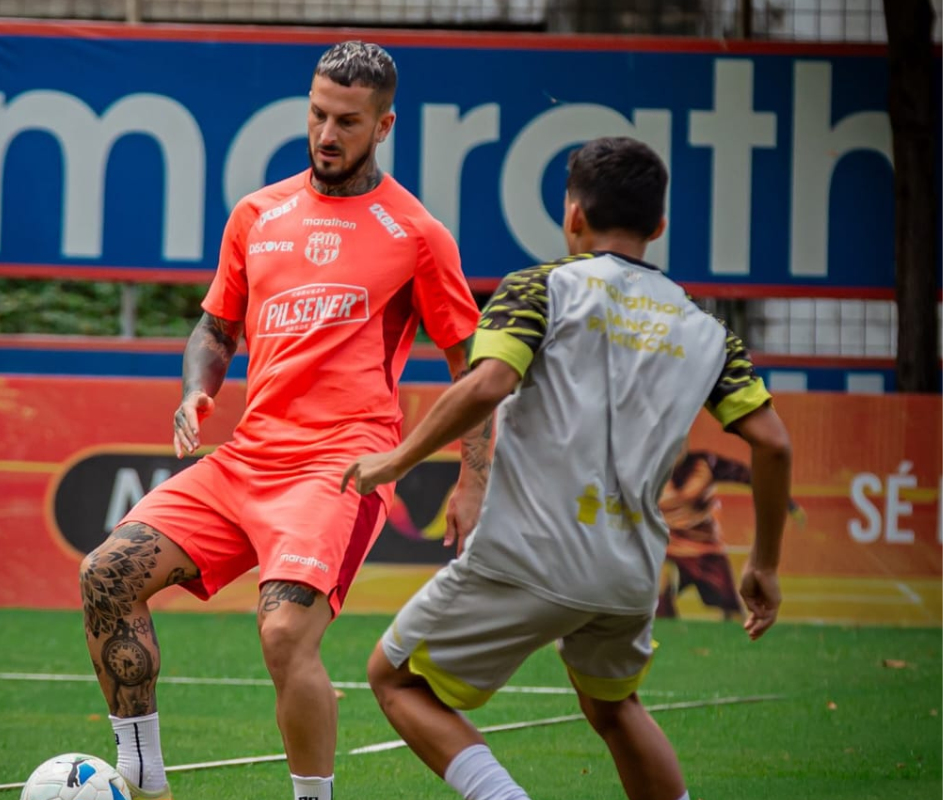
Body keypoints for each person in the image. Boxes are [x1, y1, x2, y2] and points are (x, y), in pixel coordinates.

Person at [78, 40, 488, 800]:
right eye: (318, 114)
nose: (327, 134)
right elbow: (215, 328)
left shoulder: (417, 234)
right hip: (244, 461)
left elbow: (474, 368)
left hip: (341, 468)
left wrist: (474, 477)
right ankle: (142, 780)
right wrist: (196, 390)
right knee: (106, 575)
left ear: (384, 126)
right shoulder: (257, 213)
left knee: (284, 634)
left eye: (348, 122)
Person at [341, 136, 792, 800]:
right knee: (614, 708)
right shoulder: (705, 330)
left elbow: (488, 382)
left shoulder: (540, 288)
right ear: (658, 227)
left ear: (572, 214)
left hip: (530, 555)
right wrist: (765, 565)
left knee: (394, 679)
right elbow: (774, 444)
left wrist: (396, 459)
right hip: (630, 573)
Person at [657, 444, 805, 621]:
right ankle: (668, 633)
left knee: (733, 616)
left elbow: (750, 477)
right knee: (659, 585)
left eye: (679, 442)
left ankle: (736, 632)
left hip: (707, 554)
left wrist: (788, 503)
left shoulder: (706, 463)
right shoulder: (648, 470)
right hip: (669, 552)